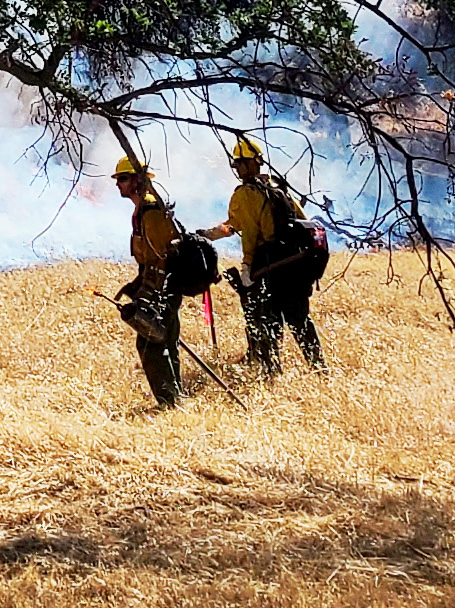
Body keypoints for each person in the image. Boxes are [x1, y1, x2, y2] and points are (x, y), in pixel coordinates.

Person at [113, 153, 226, 407]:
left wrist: (148, 290)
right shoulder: (144, 209)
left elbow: (161, 258)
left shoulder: (151, 212)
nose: (117, 184)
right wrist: (135, 284)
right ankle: (175, 399)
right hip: (159, 286)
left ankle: (169, 402)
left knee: (151, 344)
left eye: (122, 178)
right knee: (166, 340)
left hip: (161, 288)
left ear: (136, 181)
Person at [223, 136, 329, 374]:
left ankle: (272, 376)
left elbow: (249, 233)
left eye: (240, 163)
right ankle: (320, 369)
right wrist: (211, 233)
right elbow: (302, 219)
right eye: (236, 164)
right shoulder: (278, 188)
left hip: (268, 268)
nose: (238, 168)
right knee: (301, 321)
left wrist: (247, 268)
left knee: (268, 324)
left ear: (253, 163)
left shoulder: (246, 194)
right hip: (295, 266)